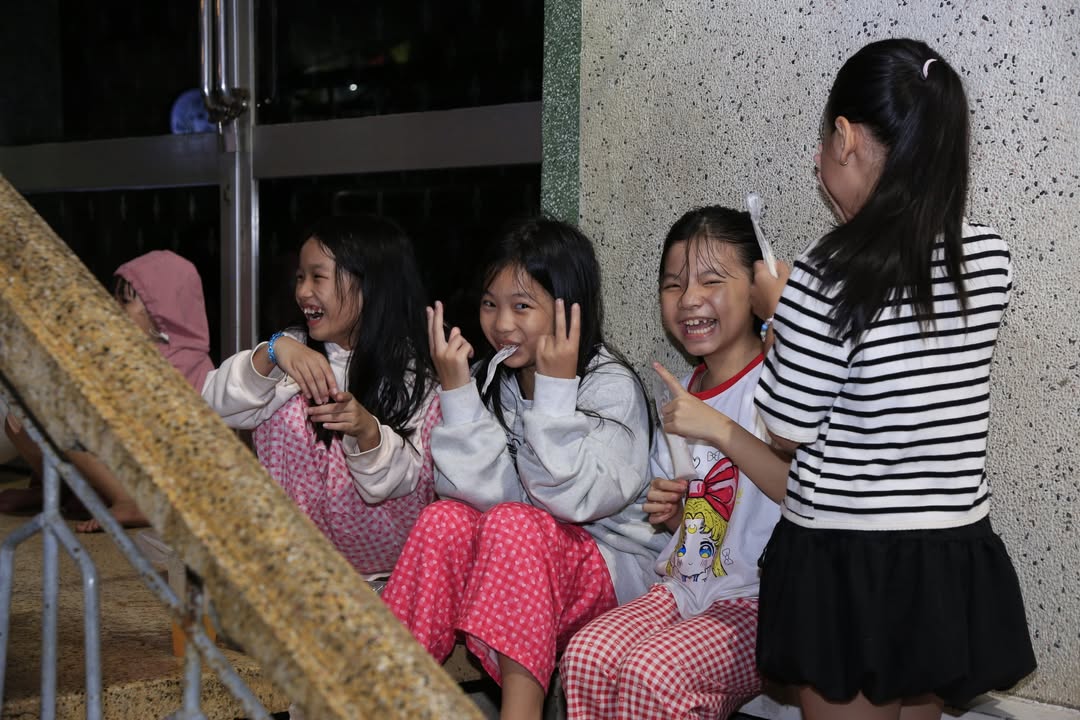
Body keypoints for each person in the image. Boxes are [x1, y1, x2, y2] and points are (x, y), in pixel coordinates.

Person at [748, 39, 1036, 720]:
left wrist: (780, 314)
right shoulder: (989, 259)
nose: (818, 161)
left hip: (847, 558)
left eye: (824, 142)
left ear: (846, 138)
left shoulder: (826, 272)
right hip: (946, 555)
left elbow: (787, 429)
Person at [381, 218, 667, 720]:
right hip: (521, 559)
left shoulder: (609, 386)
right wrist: (459, 394)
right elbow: (485, 499)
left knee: (516, 526)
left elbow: (571, 502)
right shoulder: (493, 379)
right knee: (443, 520)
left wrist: (555, 394)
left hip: (613, 570)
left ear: (567, 309)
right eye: (490, 304)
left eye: (521, 306)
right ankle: (382, 692)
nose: (501, 324)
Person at [559, 207, 787, 719]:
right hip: (687, 588)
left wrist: (718, 427)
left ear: (757, 290)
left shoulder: (778, 382)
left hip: (761, 601)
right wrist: (675, 513)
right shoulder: (682, 392)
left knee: (654, 672)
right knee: (586, 656)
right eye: (673, 284)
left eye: (712, 280)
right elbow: (703, 523)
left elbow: (797, 489)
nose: (688, 299)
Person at [201, 215, 438, 577]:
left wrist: (367, 432)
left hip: (389, 565)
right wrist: (273, 351)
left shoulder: (413, 373)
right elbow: (211, 407)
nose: (302, 292)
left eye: (318, 277)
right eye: (300, 277)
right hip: (298, 560)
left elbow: (394, 486)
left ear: (370, 285)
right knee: (283, 406)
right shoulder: (292, 349)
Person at [2, 250, 214, 532]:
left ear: (162, 308)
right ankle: (54, 490)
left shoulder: (185, 361)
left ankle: (130, 501)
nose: (114, 308)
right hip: (120, 463)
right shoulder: (129, 352)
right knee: (19, 417)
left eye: (124, 301)